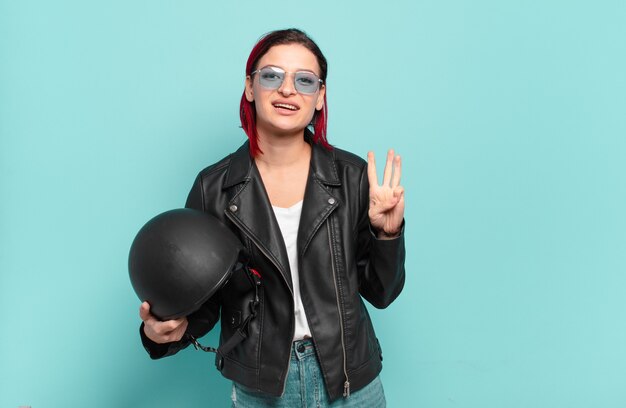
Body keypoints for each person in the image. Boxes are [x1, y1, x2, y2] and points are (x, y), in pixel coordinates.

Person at [138, 28, 406, 407]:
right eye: (271, 75)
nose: (287, 89)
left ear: (320, 97)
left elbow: (382, 293)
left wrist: (387, 234)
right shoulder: (213, 188)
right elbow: (203, 301)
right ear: (250, 87)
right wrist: (164, 331)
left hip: (351, 382)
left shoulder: (354, 178)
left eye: (304, 80)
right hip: (261, 386)